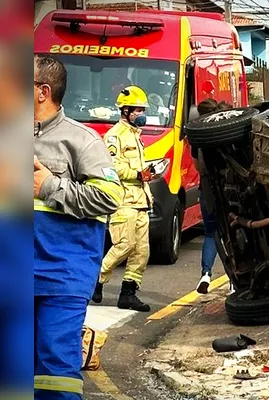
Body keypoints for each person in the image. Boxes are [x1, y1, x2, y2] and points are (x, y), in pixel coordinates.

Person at [34, 54, 122, 400]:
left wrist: (51, 186)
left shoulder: (83, 141)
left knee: (55, 367)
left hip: (61, 275)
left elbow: (109, 196)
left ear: (42, 91)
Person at [92, 85, 155, 312]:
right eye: (137, 110)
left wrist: (148, 176)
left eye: (142, 110)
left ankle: (128, 293)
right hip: (123, 200)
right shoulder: (114, 136)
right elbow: (112, 167)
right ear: (125, 111)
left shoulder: (137, 137)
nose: (141, 114)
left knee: (141, 251)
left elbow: (139, 168)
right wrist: (138, 174)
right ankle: (97, 281)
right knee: (124, 245)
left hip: (140, 200)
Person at [194, 99, 231, 293]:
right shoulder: (227, 131)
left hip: (206, 189)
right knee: (231, 234)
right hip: (229, 189)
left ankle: (206, 274)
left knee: (211, 234)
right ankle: (234, 281)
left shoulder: (198, 137)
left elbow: (198, 167)